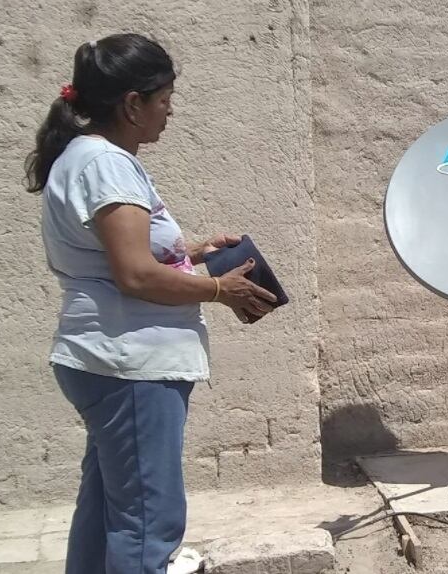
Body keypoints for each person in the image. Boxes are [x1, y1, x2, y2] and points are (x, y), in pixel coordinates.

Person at [24, 34, 278, 574]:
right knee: (146, 522)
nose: (170, 110)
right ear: (132, 104)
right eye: (163, 99)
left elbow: (122, 255)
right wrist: (217, 289)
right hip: (130, 366)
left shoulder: (87, 158)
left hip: (107, 361)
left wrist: (191, 252)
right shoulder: (107, 165)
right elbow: (136, 274)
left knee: (105, 511)